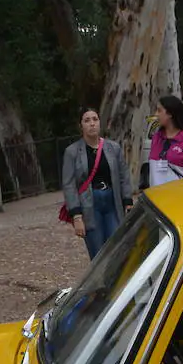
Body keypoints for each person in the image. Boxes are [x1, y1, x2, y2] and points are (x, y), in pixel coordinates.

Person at [62, 108, 134, 259]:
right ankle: (101, 282)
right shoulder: (72, 152)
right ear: (81, 125)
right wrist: (76, 216)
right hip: (89, 203)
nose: (92, 124)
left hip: (111, 201)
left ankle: (117, 281)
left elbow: (123, 175)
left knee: (117, 246)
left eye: (95, 119)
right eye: (87, 120)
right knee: (98, 251)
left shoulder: (113, 148)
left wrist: (127, 201)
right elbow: (69, 184)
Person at [149, 95, 183, 185]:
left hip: (180, 197)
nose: (156, 114)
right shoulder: (156, 138)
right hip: (156, 197)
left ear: (170, 114)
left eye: (159, 110)